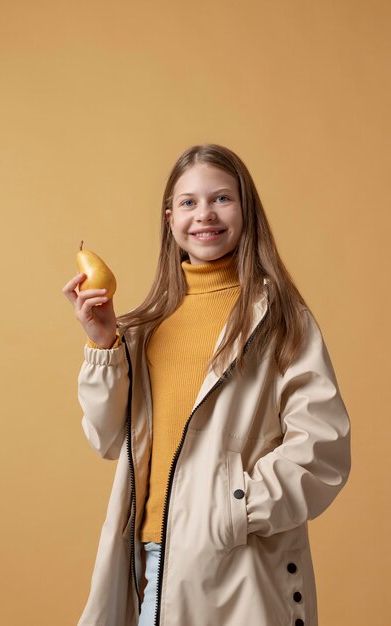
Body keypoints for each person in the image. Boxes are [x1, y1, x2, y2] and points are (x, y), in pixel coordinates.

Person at [62, 143, 351, 626]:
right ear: (170, 216)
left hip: (240, 568)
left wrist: (231, 511)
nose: (205, 215)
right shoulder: (144, 327)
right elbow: (109, 439)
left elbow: (323, 447)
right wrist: (104, 344)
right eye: (190, 202)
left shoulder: (279, 318)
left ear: (246, 210)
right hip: (151, 565)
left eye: (222, 199)